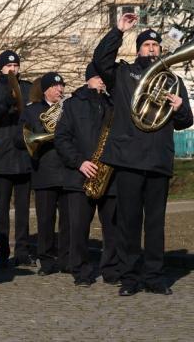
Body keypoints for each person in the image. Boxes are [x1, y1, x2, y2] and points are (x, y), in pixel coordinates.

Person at [93, 13, 193, 296]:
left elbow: (186, 122)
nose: (151, 48)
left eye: (155, 45)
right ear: (138, 49)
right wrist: (118, 31)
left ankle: (154, 276)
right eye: (146, 45)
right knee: (129, 221)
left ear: (161, 50)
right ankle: (130, 277)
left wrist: (179, 107)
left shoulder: (172, 80)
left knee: (155, 223)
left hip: (159, 159)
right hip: (128, 159)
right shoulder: (124, 73)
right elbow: (100, 61)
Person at [54, 62, 120, 287]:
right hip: (79, 176)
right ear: (88, 78)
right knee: (78, 228)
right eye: (98, 76)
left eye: (104, 77)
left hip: (109, 176)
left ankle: (111, 270)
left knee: (112, 228)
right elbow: (62, 139)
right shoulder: (72, 105)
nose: (102, 80)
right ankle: (81, 272)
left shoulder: (113, 104)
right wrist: (79, 162)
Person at [0, 50, 34, 269]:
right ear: (1, 68)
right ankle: (2, 251)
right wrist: (8, 95)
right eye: (8, 66)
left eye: (15, 65)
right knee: (1, 208)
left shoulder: (29, 88)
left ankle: (22, 251)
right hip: (2, 156)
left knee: (23, 209)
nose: (12, 69)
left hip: (23, 155)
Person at [18, 72, 69, 276]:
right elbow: (19, 138)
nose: (60, 90)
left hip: (67, 169)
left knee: (68, 220)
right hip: (44, 170)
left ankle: (66, 259)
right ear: (46, 89)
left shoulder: (68, 108)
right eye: (56, 86)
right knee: (46, 220)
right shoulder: (32, 111)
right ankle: (46, 261)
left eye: (62, 86)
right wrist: (41, 133)